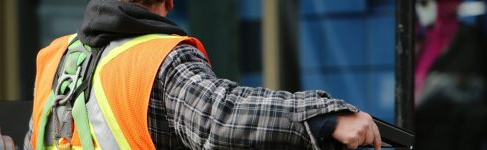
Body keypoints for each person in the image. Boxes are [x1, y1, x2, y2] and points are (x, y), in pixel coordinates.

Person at [24, 0, 381, 149]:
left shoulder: (57, 56)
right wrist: (325, 119)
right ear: (169, 1)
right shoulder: (159, 57)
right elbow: (220, 116)